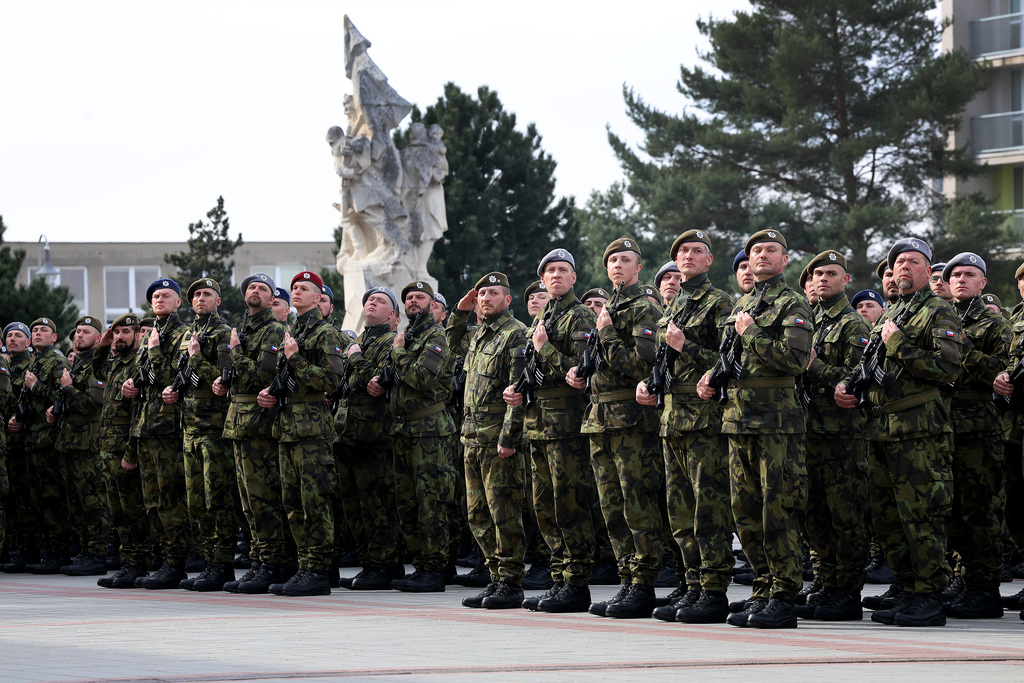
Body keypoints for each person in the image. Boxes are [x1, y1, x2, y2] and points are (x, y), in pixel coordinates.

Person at [835, 237, 962, 627]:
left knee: (922, 516)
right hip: (881, 430)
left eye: (913, 261)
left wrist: (900, 344)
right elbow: (871, 365)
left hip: (918, 431)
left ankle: (929, 595)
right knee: (888, 519)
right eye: (898, 262)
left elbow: (948, 369)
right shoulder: (893, 312)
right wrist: (848, 386)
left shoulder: (939, 311)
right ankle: (908, 587)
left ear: (928, 270)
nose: (903, 267)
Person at [697, 229, 814, 629]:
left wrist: (752, 333)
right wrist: (712, 377)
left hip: (776, 424)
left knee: (777, 509)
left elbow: (795, 361)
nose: (762, 255)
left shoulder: (793, 302)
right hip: (738, 420)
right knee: (745, 512)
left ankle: (784, 595)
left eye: (771, 250)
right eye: (756, 251)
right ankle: (763, 588)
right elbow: (731, 358)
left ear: (785, 259)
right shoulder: (744, 303)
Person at [637, 229, 735, 623]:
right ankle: (692, 584)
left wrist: (685, 345)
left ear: (708, 260)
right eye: (683, 251)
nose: (689, 256)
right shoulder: (674, 305)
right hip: (672, 419)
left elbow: (727, 360)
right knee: (680, 511)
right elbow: (666, 361)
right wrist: (650, 384)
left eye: (697, 251)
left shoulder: (719, 302)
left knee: (708, 509)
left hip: (704, 421)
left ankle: (713, 590)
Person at [568, 237, 664, 619]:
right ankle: (627, 579)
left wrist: (607, 333)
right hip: (600, 419)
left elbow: (644, 366)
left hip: (631, 421)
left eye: (625, 260)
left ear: (638, 267)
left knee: (637, 504)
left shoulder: (644, 308)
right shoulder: (609, 307)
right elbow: (603, 365)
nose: (617, 265)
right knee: (612, 507)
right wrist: (581, 375)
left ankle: (644, 584)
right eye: (612, 261)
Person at [505, 248, 599, 614]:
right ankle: (559, 578)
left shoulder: (580, 316)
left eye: (563, 270)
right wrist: (517, 390)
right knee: (544, 507)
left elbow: (580, 371)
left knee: (569, 505)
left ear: (573, 278)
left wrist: (544, 349)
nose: (556, 275)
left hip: (566, 426)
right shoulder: (542, 318)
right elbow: (534, 371)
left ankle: (576, 583)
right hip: (537, 425)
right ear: (542, 279)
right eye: (550, 271)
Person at [257, 271, 345, 596]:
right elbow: (288, 379)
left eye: (304, 288)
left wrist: (295, 359)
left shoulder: (325, 333)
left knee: (315, 501)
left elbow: (332, 382)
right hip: (288, 428)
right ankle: (305, 565)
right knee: (293, 502)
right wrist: (271, 393)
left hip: (312, 431)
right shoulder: (293, 331)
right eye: (294, 287)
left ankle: (318, 569)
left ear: (318, 298)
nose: (296, 291)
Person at [794, 251, 871, 621]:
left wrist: (815, 366)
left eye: (830, 273)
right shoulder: (809, 319)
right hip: (809, 432)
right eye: (817, 274)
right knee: (815, 514)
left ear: (845, 279)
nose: (822, 278)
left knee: (846, 515)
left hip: (843, 436)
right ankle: (826, 582)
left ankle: (848, 591)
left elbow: (858, 378)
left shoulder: (853, 324)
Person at [448, 272, 529, 609]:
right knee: (477, 514)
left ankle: (510, 582)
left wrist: (509, 437)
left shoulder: (515, 334)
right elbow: (452, 342)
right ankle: (494, 576)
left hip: (497, 440)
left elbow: (518, 392)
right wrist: (459, 311)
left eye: (493, 293)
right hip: (471, 438)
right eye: (482, 294)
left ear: (507, 300)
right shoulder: (479, 335)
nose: (485, 298)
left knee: (503, 512)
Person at [940, 253, 1010, 618]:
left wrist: (962, 346)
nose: (961, 279)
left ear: (982, 283)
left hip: (979, 429)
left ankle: (985, 588)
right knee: (951, 509)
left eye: (969, 274)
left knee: (979, 511)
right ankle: (963, 578)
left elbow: (1004, 371)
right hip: (944, 425)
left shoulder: (994, 324)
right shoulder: (942, 317)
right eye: (955, 275)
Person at [379, 281, 456, 593]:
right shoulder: (408, 335)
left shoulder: (435, 336)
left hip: (429, 431)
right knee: (408, 503)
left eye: (420, 297)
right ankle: (422, 564)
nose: (413, 301)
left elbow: (422, 378)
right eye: (409, 297)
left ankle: (435, 568)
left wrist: (397, 353)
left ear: (431, 304)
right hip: (404, 429)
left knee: (431, 502)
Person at [218, 273, 292, 594]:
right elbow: (235, 376)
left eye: (263, 289)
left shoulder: (274, 330)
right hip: (239, 422)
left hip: (260, 424)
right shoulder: (244, 329)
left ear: (272, 299)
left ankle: (273, 562)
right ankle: (259, 559)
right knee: (248, 500)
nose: (256, 291)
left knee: (264, 498)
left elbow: (263, 374)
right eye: (251, 287)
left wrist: (235, 352)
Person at [165, 279, 237, 591]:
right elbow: (181, 374)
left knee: (216, 498)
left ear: (218, 301)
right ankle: (209, 562)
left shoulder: (223, 333)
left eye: (207, 294)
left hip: (214, 428)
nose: (200, 298)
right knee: (196, 502)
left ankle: (222, 565)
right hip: (189, 427)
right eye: (196, 294)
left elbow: (223, 380)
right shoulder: (188, 334)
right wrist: (173, 388)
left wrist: (196, 358)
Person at [121, 281, 190, 588]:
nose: (159, 300)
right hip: (145, 428)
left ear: (178, 303)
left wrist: (155, 350)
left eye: (165, 296)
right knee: (151, 502)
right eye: (155, 297)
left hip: (168, 429)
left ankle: (176, 562)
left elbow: (175, 377)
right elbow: (144, 379)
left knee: (170, 498)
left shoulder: (183, 335)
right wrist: (131, 385)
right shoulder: (150, 336)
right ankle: (163, 558)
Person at [335, 286, 403, 590]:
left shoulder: (392, 342)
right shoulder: (357, 342)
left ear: (392, 314)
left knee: (377, 503)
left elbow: (379, 381)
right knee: (354, 504)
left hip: (374, 434)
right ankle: (368, 563)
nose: (371, 303)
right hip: (347, 432)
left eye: (380, 301)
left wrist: (358, 359)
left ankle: (385, 564)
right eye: (369, 300)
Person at [94, 314, 152, 589]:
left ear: (138, 335)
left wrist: (131, 453)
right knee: (117, 512)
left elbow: (140, 413)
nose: (119, 336)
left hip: (124, 451)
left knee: (132, 511)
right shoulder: (116, 363)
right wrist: (103, 345)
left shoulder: (139, 363)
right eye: (116, 332)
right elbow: (96, 371)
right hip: (108, 450)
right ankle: (127, 563)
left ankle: (138, 564)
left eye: (126, 332)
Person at [51, 315, 108, 577]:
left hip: (88, 445)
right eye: (76, 332)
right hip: (70, 443)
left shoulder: (97, 364)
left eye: (85, 332)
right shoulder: (77, 363)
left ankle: (97, 554)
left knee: (92, 501)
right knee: (76, 502)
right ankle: (85, 551)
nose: (78, 335)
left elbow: (92, 404)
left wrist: (68, 390)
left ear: (98, 338)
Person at [13, 317, 71, 573]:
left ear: (54, 337)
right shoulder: (34, 361)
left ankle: (59, 553)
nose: (38, 333)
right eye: (35, 330)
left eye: (43, 330)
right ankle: (45, 552)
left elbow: (62, 397)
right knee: (37, 499)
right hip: (32, 439)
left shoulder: (57, 362)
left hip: (49, 439)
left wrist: (35, 386)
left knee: (52, 498)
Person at [1, 323, 38, 573]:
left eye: (18, 336)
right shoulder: (8, 365)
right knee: (11, 499)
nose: (12, 339)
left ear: (28, 342)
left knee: (25, 499)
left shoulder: (32, 366)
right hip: (8, 443)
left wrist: (20, 418)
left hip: (25, 442)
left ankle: (29, 551)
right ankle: (14, 548)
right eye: (9, 336)